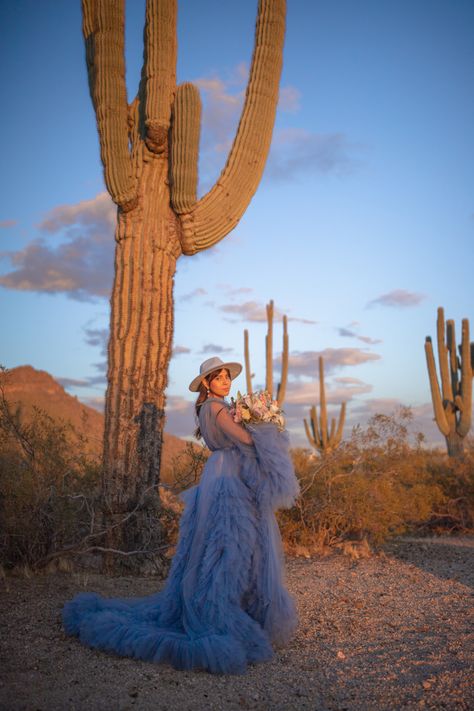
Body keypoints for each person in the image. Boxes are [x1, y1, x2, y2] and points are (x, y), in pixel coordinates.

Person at [62, 356, 300, 675]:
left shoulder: (214, 407)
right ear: (206, 383)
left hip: (220, 472)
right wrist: (262, 428)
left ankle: (237, 604)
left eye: (227, 376)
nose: (226, 380)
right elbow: (242, 439)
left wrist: (249, 417)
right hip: (226, 477)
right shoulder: (215, 408)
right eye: (219, 377)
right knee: (227, 546)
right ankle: (219, 610)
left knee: (223, 545)